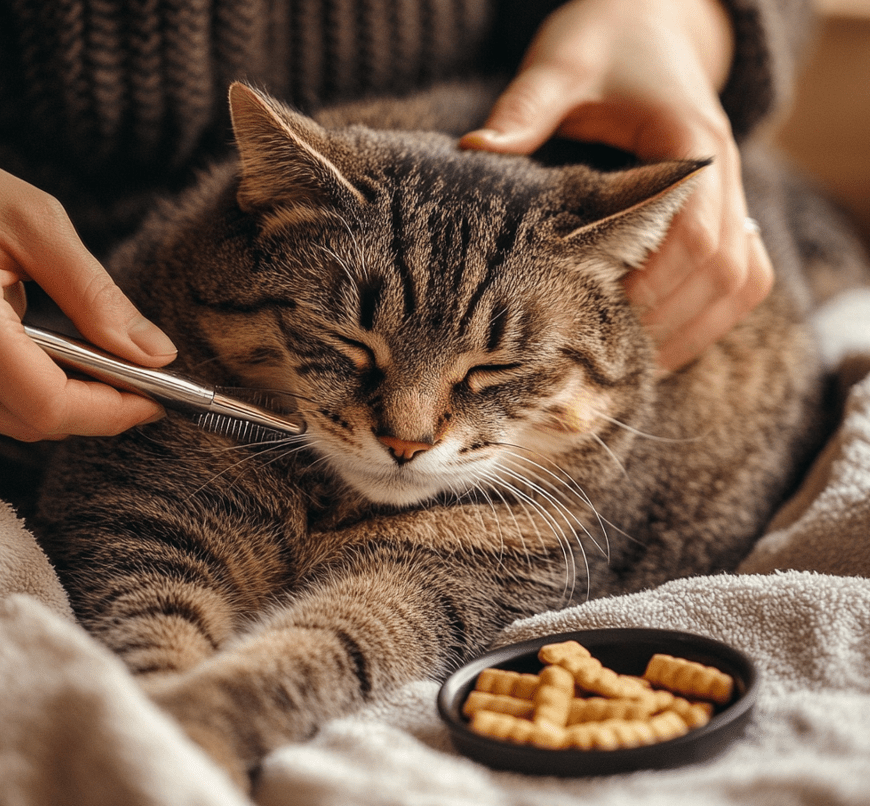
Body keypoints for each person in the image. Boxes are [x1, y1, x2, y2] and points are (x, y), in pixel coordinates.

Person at [0, 0, 811, 443]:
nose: (409, 432)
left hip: (543, 153)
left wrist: (671, 17)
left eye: (483, 371)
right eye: (356, 349)